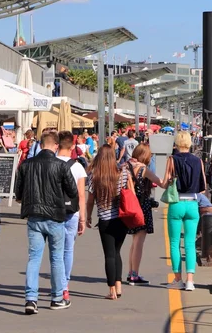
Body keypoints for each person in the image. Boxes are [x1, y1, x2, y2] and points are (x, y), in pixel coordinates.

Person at [15, 131, 77, 314]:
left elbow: (18, 193)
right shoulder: (61, 165)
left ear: (40, 145)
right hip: (55, 216)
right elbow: (72, 191)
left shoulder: (26, 165)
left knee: (34, 258)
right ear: (56, 146)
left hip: (34, 216)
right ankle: (57, 298)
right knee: (56, 258)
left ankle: (31, 299)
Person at [85, 145, 130, 300]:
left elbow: (90, 200)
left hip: (105, 219)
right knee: (117, 252)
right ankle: (119, 286)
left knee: (109, 255)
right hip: (122, 218)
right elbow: (129, 192)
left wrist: (88, 216)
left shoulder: (94, 175)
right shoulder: (122, 173)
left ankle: (111, 290)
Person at [163, 131, 204, 291]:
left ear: (177, 143)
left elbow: (166, 182)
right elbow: (203, 185)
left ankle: (177, 279)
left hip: (176, 203)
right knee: (190, 243)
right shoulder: (198, 161)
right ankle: (190, 281)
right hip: (193, 204)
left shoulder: (172, 160)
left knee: (174, 243)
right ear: (189, 143)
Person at [126, 144, 168, 285]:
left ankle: (131, 271)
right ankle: (134, 275)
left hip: (129, 205)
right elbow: (161, 183)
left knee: (134, 241)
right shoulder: (143, 169)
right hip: (142, 207)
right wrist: (169, 174)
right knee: (139, 242)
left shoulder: (127, 165)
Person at [56, 131, 87, 300]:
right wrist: (83, 217)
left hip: (52, 212)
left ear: (57, 144)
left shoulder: (50, 163)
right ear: (72, 146)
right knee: (68, 250)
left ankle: (57, 283)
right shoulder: (77, 167)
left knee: (55, 250)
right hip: (71, 213)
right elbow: (81, 195)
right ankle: (64, 284)